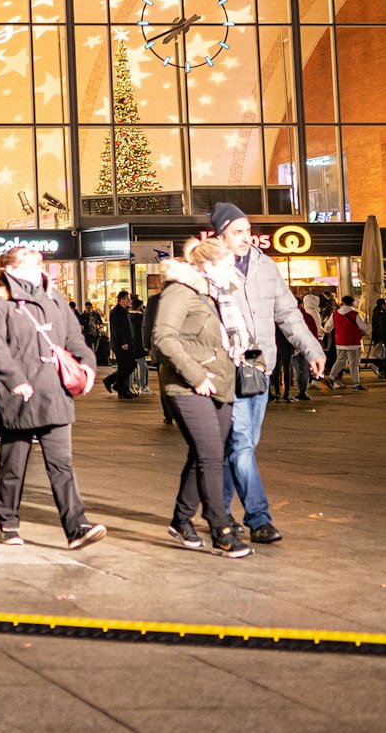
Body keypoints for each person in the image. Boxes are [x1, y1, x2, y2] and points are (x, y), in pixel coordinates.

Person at [206, 203, 326, 546]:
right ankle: (258, 518)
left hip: (263, 369)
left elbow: (288, 313)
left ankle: (219, 511)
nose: (246, 238)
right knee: (242, 443)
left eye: (247, 230)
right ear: (221, 236)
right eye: (237, 232)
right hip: (231, 369)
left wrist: (313, 350)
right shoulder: (211, 272)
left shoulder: (265, 266)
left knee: (241, 445)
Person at [0, 245, 106, 550]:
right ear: (11, 269)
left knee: (62, 463)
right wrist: (14, 378)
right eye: (31, 263)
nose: (39, 267)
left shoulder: (54, 297)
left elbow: (74, 336)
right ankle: (8, 522)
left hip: (55, 390)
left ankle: (76, 527)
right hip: (19, 395)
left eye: (40, 262)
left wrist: (87, 363)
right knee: (13, 464)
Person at [151, 238, 253, 558]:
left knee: (205, 454)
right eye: (226, 265)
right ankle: (220, 528)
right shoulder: (180, 291)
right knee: (210, 456)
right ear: (207, 266)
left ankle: (182, 519)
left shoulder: (217, 295)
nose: (231, 271)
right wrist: (195, 376)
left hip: (221, 383)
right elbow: (163, 338)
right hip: (188, 386)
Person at [325, 296, 367, 391]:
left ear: (342, 302)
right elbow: (364, 327)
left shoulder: (335, 314)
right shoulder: (355, 314)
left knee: (340, 361)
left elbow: (327, 328)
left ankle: (331, 377)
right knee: (354, 363)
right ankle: (356, 383)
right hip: (354, 342)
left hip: (340, 341)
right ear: (352, 303)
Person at [104, 291, 141, 397]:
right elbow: (118, 329)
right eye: (127, 299)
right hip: (121, 344)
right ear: (122, 300)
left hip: (125, 343)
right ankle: (118, 385)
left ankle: (118, 385)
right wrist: (123, 342)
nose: (129, 301)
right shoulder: (117, 312)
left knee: (126, 365)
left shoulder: (123, 311)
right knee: (128, 365)